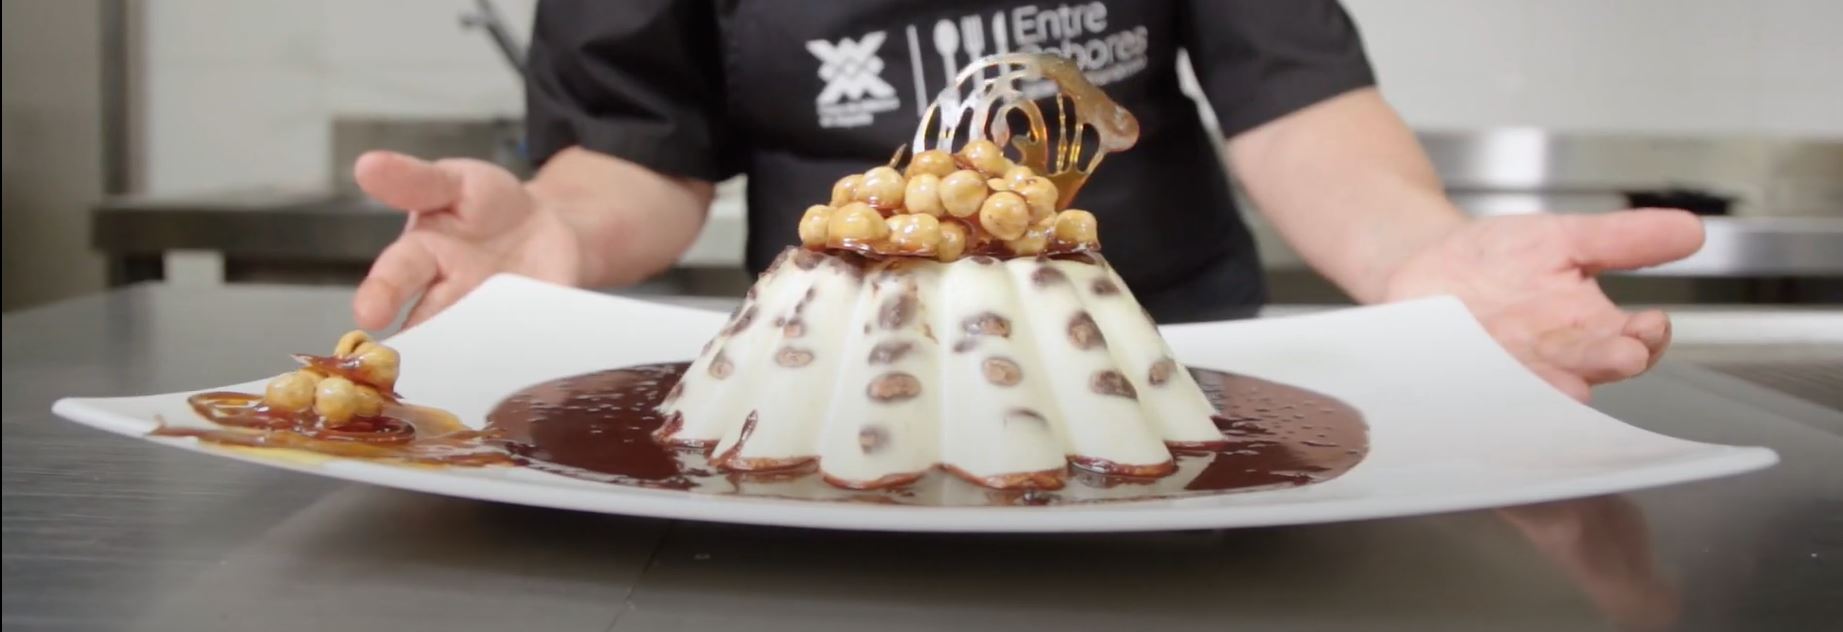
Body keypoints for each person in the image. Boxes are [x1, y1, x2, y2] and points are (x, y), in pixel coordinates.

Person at [349, 0, 1703, 401]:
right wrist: (558, 228)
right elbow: (635, 151)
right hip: (835, 378)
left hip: (1170, 362)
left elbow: (1295, 101)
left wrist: (1422, 255)